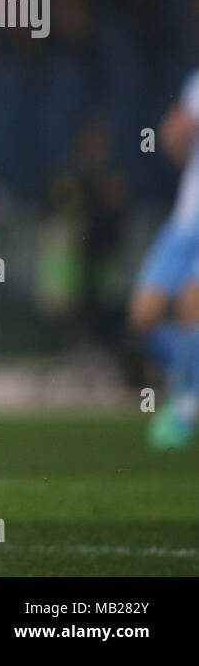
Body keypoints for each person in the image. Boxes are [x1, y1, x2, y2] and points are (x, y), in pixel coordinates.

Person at [129, 73, 199, 449]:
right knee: (144, 314)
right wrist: (174, 135)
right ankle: (192, 377)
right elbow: (177, 152)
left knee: (192, 303)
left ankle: (186, 405)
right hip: (186, 220)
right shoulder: (195, 84)